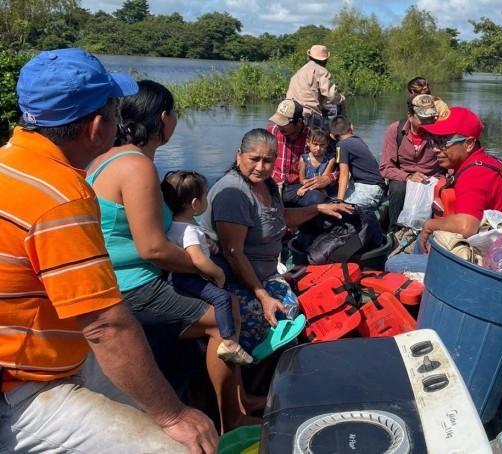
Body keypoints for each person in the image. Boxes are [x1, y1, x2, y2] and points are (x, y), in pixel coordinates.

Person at [0, 48, 218, 453]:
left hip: (53, 349)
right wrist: (174, 416)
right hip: (23, 385)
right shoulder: (60, 196)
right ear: (98, 126)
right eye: (115, 114)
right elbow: (105, 327)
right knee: (175, 446)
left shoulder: (11, 163)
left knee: (146, 397)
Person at [86, 80, 260, 434]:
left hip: (117, 276)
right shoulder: (137, 166)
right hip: (132, 286)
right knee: (226, 312)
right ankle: (233, 417)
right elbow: (153, 249)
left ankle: (209, 396)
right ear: (164, 118)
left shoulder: (106, 158)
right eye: (175, 113)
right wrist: (203, 267)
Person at [200, 129, 354, 352]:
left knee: (297, 311)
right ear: (239, 155)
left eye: (268, 160)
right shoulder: (233, 193)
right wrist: (263, 297)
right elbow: (233, 253)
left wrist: (319, 207)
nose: (261, 167)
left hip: (265, 273)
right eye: (254, 159)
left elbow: (282, 216)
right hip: (234, 281)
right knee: (266, 326)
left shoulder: (267, 183)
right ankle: (258, 369)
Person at [385, 107, 502, 274]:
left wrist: (429, 224)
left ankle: (417, 287)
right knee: (423, 239)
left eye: (443, 142)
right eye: (433, 141)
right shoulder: (484, 161)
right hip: (488, 246)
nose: (435, 149)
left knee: (393, 263)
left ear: (468, 144)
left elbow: (466, 226)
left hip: (484, 263)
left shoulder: (474, 175)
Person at [161, 170, 253, 365]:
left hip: (176, 277)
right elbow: (198, 260)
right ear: (195, 204)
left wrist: (208, 245)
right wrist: (218, 273)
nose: (206, 200)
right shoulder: (189, 230)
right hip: (186, 278)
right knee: (222, 298)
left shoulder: (179, 224)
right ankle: (228, 342)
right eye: (205, 196)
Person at [379, 93, 448, 232]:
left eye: (430, 118)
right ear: (410, 116)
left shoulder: (439, 131)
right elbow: (385, 167)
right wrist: (408, 177)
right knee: (398, 189)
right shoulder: (395, 130)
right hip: (404, 177)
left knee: (445, 191)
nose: (428, 122)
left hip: (432, 178)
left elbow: (450, 161)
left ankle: (431, 233)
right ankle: (394, 233)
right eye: (423, 118)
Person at [267, 99, 337, 208]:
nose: (279, 126)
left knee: (316, 199)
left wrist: (329, 178)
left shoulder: (313, 138)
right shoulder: (271, 132)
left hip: (300, 187)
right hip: (275, 185)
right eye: (278, 122)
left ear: (299, 122)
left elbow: (339, 165)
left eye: (284, 124)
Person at [330, 115, 386, 209]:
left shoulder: (341, 145)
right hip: (374, 187)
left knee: (337, 207)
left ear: (331, 136)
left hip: (368, 190)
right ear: (351, 127)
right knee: (331, 201)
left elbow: (344, 173)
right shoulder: (359, 140)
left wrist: (339, 201)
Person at [285, 44, 345, 127]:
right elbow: (332, 96)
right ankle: (338, 134)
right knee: (338, 106)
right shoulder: (322, 71)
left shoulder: (298, 73)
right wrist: (342, 99)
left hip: (289, 115)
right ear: (325, 60)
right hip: (308, 117)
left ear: (309, 57)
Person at [298, 127, 337, 199]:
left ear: (327, 144)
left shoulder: (330, 159)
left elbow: (322, 180)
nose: (318, 148)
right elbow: (302, 180)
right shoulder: (303, 159)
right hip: (308, 187)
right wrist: (306, 188)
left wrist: (320, 189)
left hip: (325, 189)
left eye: (322, 145)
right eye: (315, 144)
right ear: (308, 142)